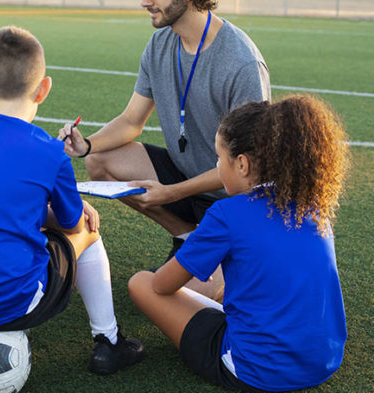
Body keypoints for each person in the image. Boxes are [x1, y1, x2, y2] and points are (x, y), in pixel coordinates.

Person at [0, 26, 144, 375]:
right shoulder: (49, 152)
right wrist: (62, 211)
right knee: (88, 228)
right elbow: (70, 224)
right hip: (8, 302)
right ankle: (109, 342)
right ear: (43, 89)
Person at [59, 0, 270, 299]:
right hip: (187, 179)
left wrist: (170, 192)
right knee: (99, 159)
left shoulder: (241, 63)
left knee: (187, 296)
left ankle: (219, 255)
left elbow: (249, 170)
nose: (144, 1)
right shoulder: (160, 44)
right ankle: (187, 236)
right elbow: (131, 121)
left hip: (236, 199)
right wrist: (86, 144)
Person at [127, 96, 348, 392]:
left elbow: (161, 286)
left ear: (242, 164)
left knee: (141, 282)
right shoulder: (313, 204)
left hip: (256, 370)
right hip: (324, 360)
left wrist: (195, 245)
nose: (218, 167)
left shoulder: (227, 214)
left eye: (219, 159)